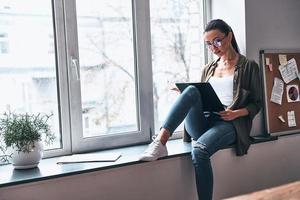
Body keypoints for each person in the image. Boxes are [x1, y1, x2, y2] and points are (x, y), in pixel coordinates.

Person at [139, 19, 262, 200]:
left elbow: (257, 103)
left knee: (199, 151)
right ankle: (160, 142)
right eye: (208, 44)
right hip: (204, 122)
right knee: (190, 90)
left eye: (217, 41)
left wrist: (235, 113)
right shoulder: (208, 68)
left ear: (229, 36)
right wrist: (186, 96)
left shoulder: (248, 66)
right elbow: (202, 97)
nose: (213, 47)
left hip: (229, 124)